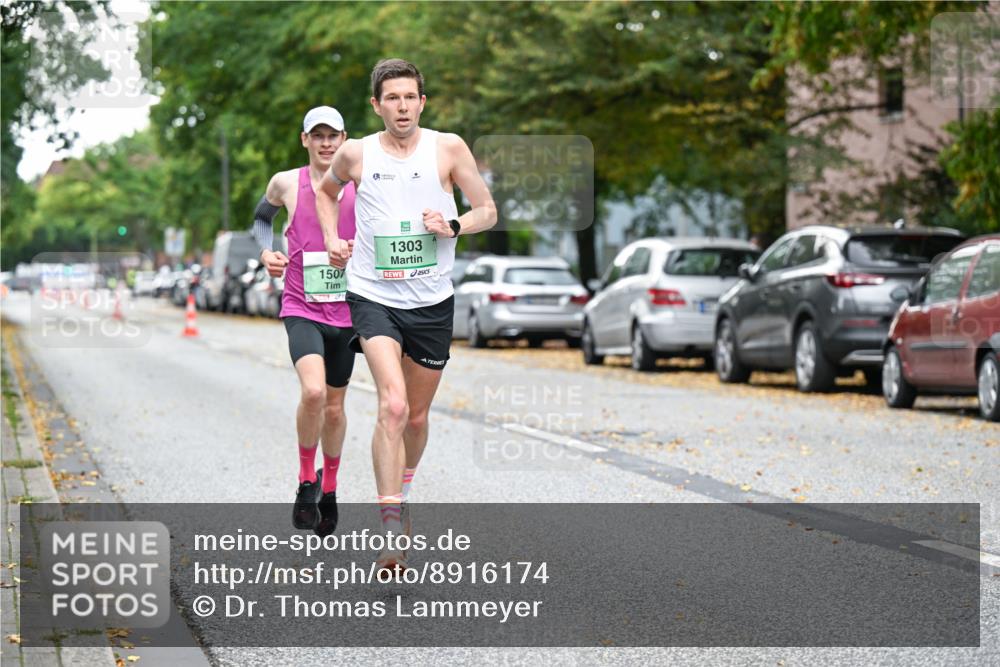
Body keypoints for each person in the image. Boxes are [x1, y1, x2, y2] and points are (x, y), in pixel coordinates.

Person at [316, 59, 496, 570]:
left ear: (422, 102)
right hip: (372, 295)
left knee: (416, 417)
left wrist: (454, 225)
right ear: (377, 105)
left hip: (432, 301)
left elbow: (487, 210)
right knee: (392, 406)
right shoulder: (356, 153)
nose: (402, 107)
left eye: (410, 97)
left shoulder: (448, 148)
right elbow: (325, 192)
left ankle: (405, 488)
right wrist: (332, 238)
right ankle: (391, 525)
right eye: (392, 98)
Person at [251, 106, 357, 536]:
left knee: (335, 407)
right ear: (305, 140)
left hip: (347, 311)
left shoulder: (361, 182)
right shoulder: (285, 182)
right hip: (302, 307)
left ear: (344, 139)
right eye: (318, 136)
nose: (326, 143)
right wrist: (266, 252)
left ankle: (329, 488)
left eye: (333, 136)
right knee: (313, 392)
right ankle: (305, 480)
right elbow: (262, 219)